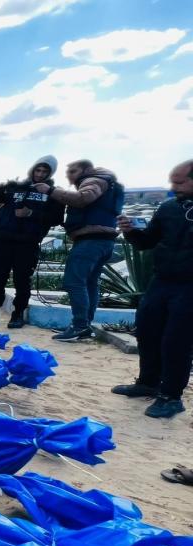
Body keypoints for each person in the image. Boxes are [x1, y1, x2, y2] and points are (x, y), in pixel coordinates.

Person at [113, 160, 193, 420]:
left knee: (176, 341)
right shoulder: (169, 207)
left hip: (189, 287)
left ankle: (171, 397)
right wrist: (131, 232)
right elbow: (148, 241)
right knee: (147, 331)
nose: (174, 187)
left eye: (179, 182)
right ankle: (148, 382)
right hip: (161, 281)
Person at [0, 156, 66, 328]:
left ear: (50, 174)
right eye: (37, 170)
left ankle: (17, 314)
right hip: (2, 239)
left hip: (27, 242)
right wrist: (5, 185)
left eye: (44, 171)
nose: (40, 174)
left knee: (22, 281)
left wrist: (31, 213)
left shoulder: (53, 193)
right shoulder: (17, 187)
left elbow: (57, 218)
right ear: (32, 169)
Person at [49, 159, 124, 341]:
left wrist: (51, 191)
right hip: (103, 241)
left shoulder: (94, 180)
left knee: (74, 282)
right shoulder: (107, 182)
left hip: (91, 241)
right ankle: (84, 326)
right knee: (90, 283)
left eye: (73, 171)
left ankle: (80, 326)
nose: (69, 175)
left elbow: (83, 199)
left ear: (87, 170)